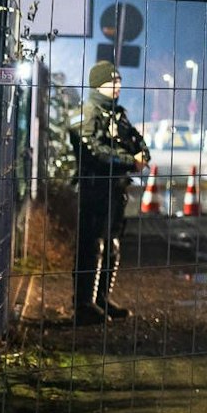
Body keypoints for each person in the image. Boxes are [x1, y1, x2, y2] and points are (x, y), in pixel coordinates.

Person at [71, 60, 149, 324]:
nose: (117, 86)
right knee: (92, 245)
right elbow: (92, 150)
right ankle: (84, 303)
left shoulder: (117, 114)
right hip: (94, 188)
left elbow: (138, 141)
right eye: (111, 82)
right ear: (98, 84)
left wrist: (141, 155)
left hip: (116, 188)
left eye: (119, 81)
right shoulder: (87, 112)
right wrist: (130, 161)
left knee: (112, 244)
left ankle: (102, 299)